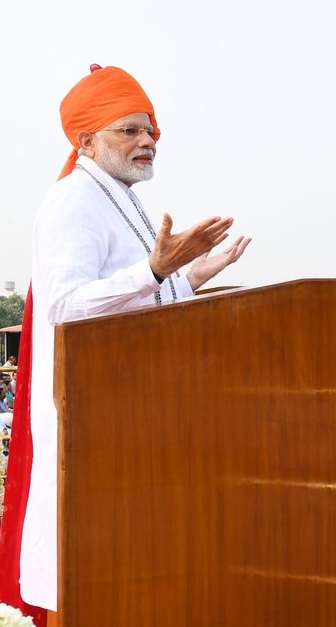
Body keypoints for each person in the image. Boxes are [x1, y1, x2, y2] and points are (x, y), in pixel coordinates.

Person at [0, 64, 251, 622]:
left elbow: (140, 296)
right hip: (93, 421)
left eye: (150, 131)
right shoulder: (73, 201)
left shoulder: (119, 195)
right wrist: (158, 267)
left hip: (134, 413)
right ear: (86, 139)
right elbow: (66, 307)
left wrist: (196, 269)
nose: (147, 141)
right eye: (130, 130)